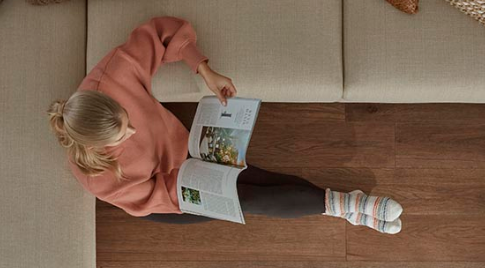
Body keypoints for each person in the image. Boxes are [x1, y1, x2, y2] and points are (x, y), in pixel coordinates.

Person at [48, 17, 402, 233]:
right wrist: (202, 175)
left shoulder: (108, 80)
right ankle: (342, 206)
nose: (134, 131)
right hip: (167, 199)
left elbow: (161, 31)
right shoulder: (97, 174)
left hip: (186, 152)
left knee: (254, 174)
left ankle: (350, 206)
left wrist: (205, 70)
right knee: (245, 194)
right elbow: (155, 194)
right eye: (124, 134)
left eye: (127, 120)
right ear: (96, 146)